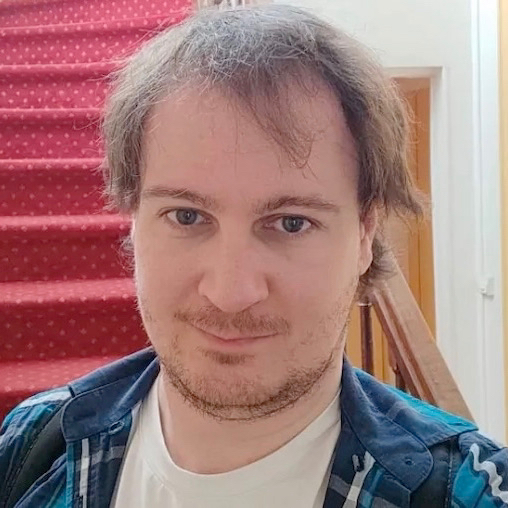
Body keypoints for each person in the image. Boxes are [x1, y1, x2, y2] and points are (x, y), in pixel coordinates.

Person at [1, 4, 507, 507]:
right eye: (187, 216)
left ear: (363, 236)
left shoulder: (470, 492)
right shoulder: (31, 445)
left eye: (291, 223)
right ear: (134, 219)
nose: (230, 293)